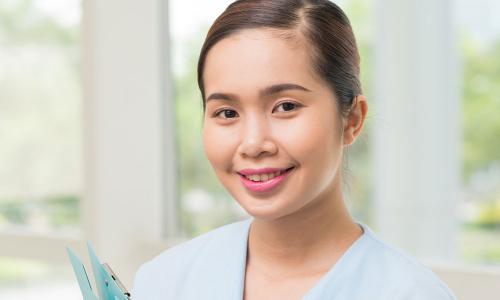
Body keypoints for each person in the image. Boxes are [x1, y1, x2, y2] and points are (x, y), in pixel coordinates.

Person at [131, 0, 458, 299]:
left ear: (352, 120)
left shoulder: (410, 293)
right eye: (227, 113)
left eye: (285, 106)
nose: (254, 143)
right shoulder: (163, 282)